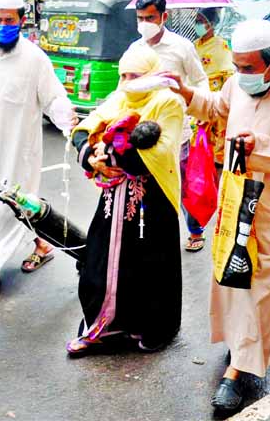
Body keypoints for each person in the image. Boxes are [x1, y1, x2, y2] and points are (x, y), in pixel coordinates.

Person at [163, 19, 270, 410]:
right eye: (237, 66)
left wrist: (264, 148)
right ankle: (242, 349)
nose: (240, 75)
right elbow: (217, 107)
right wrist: (188, 93)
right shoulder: (238, 84)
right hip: (237, 204)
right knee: (234, 284)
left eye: (249, 67)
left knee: (263, 297)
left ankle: (236, 374)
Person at [66, 44, 184, 357]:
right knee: (98, 261)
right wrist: (92, 155)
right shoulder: (119, 97)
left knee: (151, 265)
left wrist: (112, 153)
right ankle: (101, 326)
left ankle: (155, 329)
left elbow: (158, 152)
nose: (129, 81)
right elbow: (85, 128)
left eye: (136, 75)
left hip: (152, 200)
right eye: (124, 74)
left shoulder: (168, 102)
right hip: (113, 197)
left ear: (151, 74)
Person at [0, 0, 76, 301]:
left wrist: (74, 129)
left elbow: (53, 98)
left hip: (20, 151)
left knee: (16, 205)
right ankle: (38, 246)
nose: (2, 25)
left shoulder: (35, 58)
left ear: (22, 21)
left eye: (9, 20)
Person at [133, 0, 209, 252]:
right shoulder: (135, 49)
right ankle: (157, 236)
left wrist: (197, 111)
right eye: (140, 18)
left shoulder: (181, 47)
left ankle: (195, 229)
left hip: (179, 130)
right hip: (147, 132)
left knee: (184, 183)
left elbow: (200, 81)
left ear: (164, 16)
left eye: (150, 17)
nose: (144, 23)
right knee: (153, 187)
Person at [192, 7, 235, 167]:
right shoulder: (194, 45)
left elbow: (229, 76)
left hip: (216, 98)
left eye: (201, 21)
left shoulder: (221, 46)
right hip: (197, 95)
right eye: (196, 21)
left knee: (215, 144)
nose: (198, 25)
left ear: (211, 24)